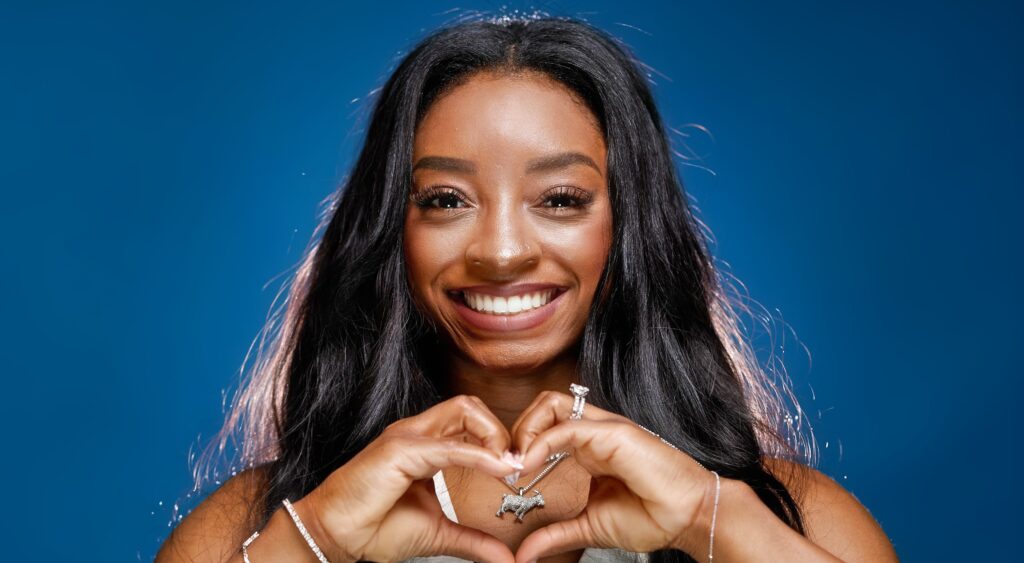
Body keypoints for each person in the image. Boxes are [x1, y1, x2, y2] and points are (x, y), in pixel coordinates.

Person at [156, 14, 898, 563]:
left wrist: (716, 520)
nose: (503, 252)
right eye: (447, 199)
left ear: (629, 226)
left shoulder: (798, 523)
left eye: (561, 199)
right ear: (390, 231)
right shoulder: (246, 531)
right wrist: (312, 538)